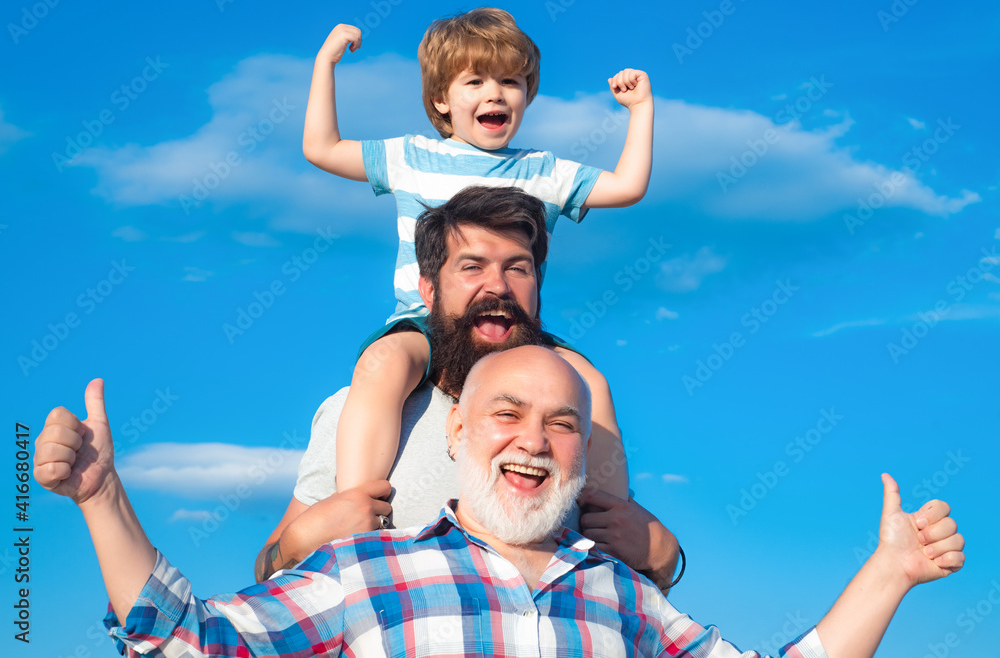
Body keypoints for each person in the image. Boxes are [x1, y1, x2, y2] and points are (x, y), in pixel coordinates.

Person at [34, 346, 965, 657]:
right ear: (459, 436)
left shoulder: (625, 600)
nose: (534, 437)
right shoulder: (368, 573)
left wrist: (888, 575)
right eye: (508, 412)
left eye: (563, 423)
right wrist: (103, 497)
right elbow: (192, 643)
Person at [302, 6, 654, 500]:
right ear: (440, 100)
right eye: (475, 82)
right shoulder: (410, 156)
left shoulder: (542, 171)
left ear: (527, 95)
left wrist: (641, 111)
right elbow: (321, 147)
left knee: (589, 381)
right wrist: (326, 63)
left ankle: (612, 516)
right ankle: (360, 504)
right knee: (381, 365)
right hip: (425, 321)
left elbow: (628, 186)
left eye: (510, 81)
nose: (495, 93)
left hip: (515, 326)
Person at [254, 186, 679, 591]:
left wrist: (662, 562)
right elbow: (267, 572)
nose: (498, 286)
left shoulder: (569, 425)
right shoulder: (356, 409)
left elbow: (622, 598)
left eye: (518, 268)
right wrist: (293, 549)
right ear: (429, 289)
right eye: (472, 267)